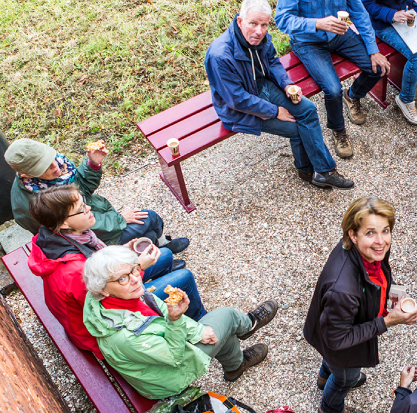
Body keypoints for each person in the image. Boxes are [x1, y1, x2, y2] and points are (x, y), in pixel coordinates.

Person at [27, 185, 203, 357]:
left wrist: (122, 252)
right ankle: (199, 324)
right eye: (82, 208)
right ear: (65, 222)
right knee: (184, 277)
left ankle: (165, 293)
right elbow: (110, 300)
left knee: (164, 254)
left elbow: (98, 259)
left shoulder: (58, 236)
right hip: (102, 328)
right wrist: (138, 267)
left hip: (111, 287)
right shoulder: (75, 271)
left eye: (85, 203)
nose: (89, 208)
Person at [82, 246, 278, 398]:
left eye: (134, 270)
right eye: (123, 278)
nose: (135, 279)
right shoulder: (122, 336)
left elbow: (162, 312)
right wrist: (177, 321)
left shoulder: (116, 297)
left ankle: (236, 366)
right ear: (104, 289)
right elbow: (174, 356)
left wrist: (196, 331)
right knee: (226, 316)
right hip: (166, 378)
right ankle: (248, 325)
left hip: (159, 357)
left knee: (218, 331)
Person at [205, 0, 353, 189]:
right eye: (253, 24)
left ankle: (322, 172)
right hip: (238, 109)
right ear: (240, 21)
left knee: (307, 109)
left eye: (264, 25)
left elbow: (273, 61)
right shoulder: (220, 55)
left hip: (260, 86)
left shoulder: (261, 38)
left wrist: (286, 84)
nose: (259, 31)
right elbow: (236, 99)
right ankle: (307, 170)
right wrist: (275, 111)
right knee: (298, 128)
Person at [275, 0, 391, 159]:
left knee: (378, 67)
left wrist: (373, 49)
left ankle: (354, 96)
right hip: (308, 41)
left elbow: (358, 11)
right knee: (332, 88)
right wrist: (317, 23)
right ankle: (338, 131)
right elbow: (282, 20)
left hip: (338, 34)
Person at [304, 197, 417, 413]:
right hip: (341, 350)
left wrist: (391, 291)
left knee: (336, 368)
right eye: (370, 232)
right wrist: (387, 321)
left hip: (328, 333)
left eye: (385, 230)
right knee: (345, 380)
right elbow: (337, 340)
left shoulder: (366, 251)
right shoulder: (344, 291)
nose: (381, 241)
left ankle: (324, 377)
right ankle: (329, 408)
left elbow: (377, 277)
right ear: (353, 234)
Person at [4, 138, 188, 251]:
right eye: (44, 166)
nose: (55, 166)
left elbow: (80, 188)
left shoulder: (52, 175)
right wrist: (118, 219)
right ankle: (161, 251)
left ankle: (159, 249)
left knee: (146, 231)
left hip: (93, 219)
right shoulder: (34, 204)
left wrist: (92, 164)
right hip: (91, 237)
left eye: (49, 157)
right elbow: (76, 228)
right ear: (26, 174)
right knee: (150, 220)